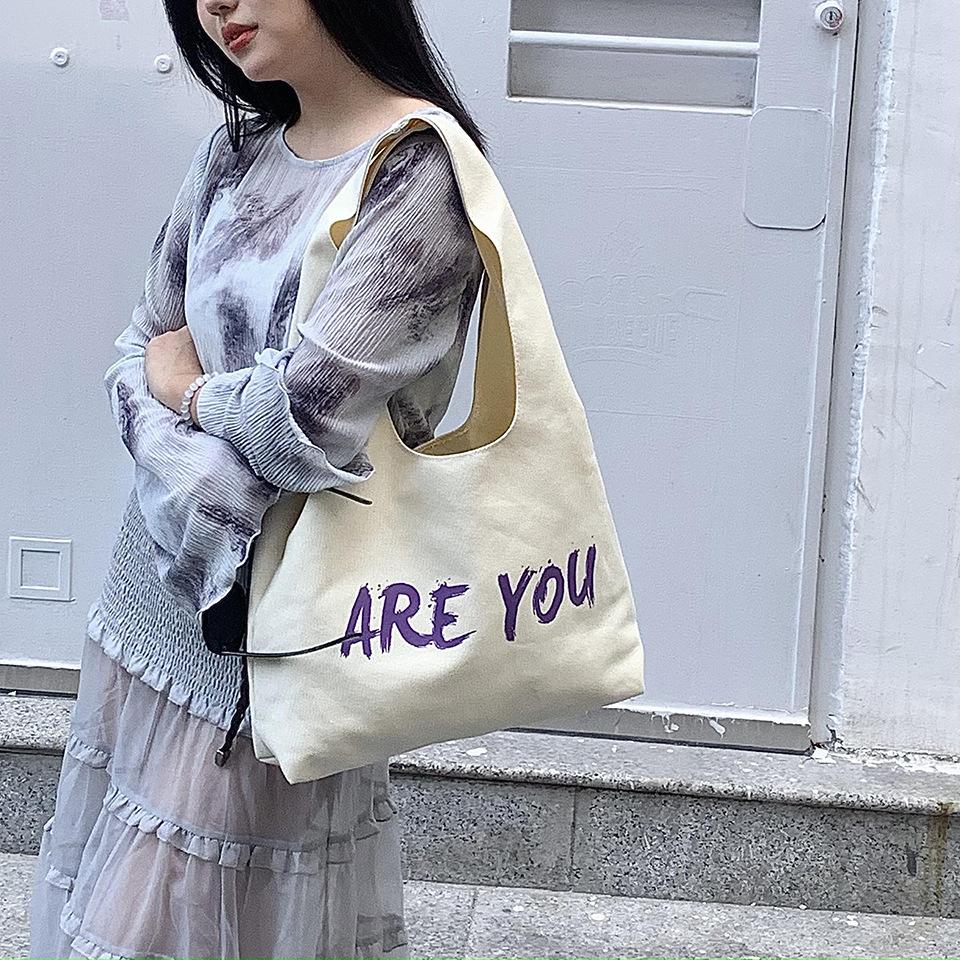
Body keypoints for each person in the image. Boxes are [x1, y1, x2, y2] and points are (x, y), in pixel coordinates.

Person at [28, 1, 486, 956]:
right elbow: (137, 348)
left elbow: (302, 421)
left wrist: (188, 395)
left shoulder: (418, 173)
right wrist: (218, 484)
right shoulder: (236, 150)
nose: (217, 6)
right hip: (155, 602)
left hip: (272, 632)